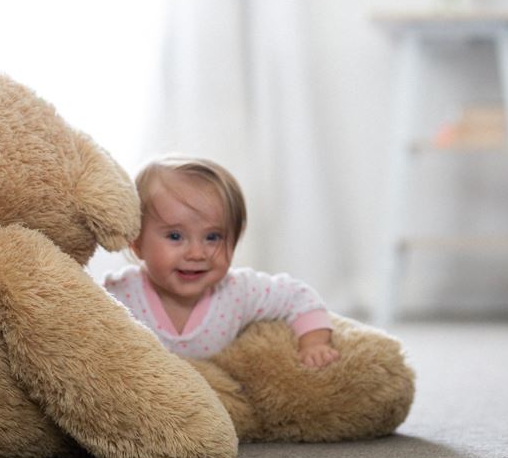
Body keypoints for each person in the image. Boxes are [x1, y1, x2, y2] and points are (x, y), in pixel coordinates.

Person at [103, 155, 340, 368]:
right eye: (175, 236)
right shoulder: (120, 294)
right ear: (137, 243)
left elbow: (298, 296)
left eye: (213, 237)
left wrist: (314, 344)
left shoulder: (237, 291)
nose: (197, 253)